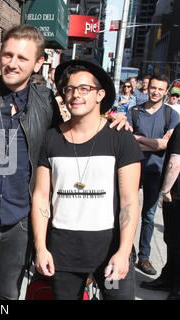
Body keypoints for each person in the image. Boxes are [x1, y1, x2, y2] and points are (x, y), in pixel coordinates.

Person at [0, 25, 129, 301]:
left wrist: (110, 120)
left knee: (8, 295)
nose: (12, 64)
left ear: (38, 63)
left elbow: (71, 135)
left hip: (20, 220)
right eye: (7, 55)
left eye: (22, 58)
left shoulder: (45, 100)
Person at [32, 59, 143, 300]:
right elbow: (41, 197)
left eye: (84, 89)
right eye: (69, 89)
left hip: (110, 254)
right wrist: (41, 248)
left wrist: (124, 252)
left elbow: (129, 202)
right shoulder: (52, 139)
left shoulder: (120, 138)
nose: (75, 95)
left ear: (100, 95)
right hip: (63, 255)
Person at [127, 75, 180, 275]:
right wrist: (153, 142)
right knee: (126, 211)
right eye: (153, 88)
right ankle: (125, 250)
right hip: (132, 168)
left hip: (156, 171)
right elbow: (128, 142)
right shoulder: (134, 111)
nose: (156, 92)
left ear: (166, 92)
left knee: (148, 215)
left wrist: (138, 138)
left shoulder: (171, 115)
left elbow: (165, 144)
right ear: (148, 88)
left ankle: (144, 257)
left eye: (160, 89)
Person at [140, 122, 180, 299]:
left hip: (176, 194)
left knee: (176, 241)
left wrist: (165, 190)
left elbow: (174, 164)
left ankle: (177, 288)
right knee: (172, 241)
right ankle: (169, 278)